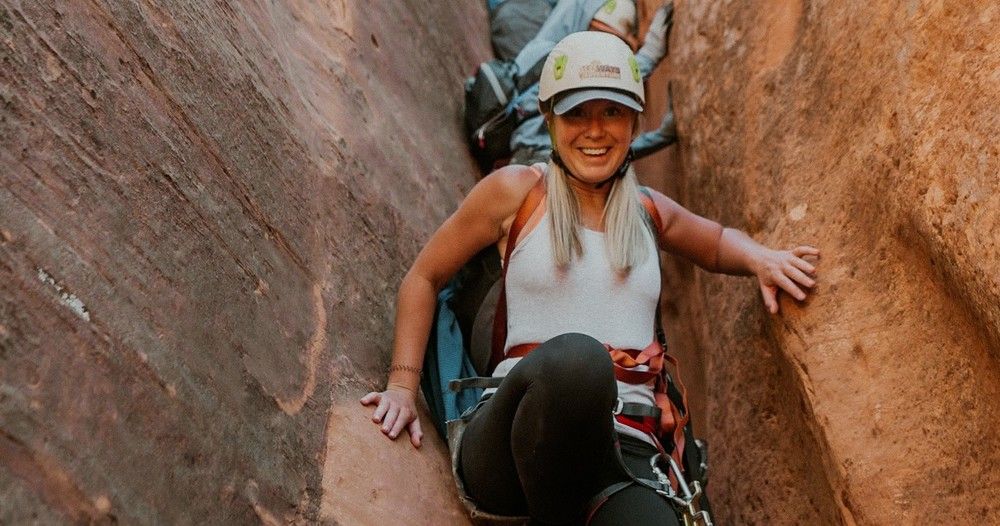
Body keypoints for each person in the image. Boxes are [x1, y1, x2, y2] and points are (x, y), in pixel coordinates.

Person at [362, 31, 819, 525]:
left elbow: (715, 242)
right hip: (516, 441)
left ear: (634, 121)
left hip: (623, 453)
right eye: (577, 113)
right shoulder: (517, 193)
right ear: (550, 117)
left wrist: (763, 259)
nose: (594, 131)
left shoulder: (648, 212)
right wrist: (401, 388)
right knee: (579, 362)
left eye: (612, 113)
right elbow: (424, 277)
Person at [508, 0, 677, 165]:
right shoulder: (552, 62)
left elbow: (601, 150)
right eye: (597, 34)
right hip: (533, 160)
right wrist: (649, 54)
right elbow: (595, 79)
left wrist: (660, 138)